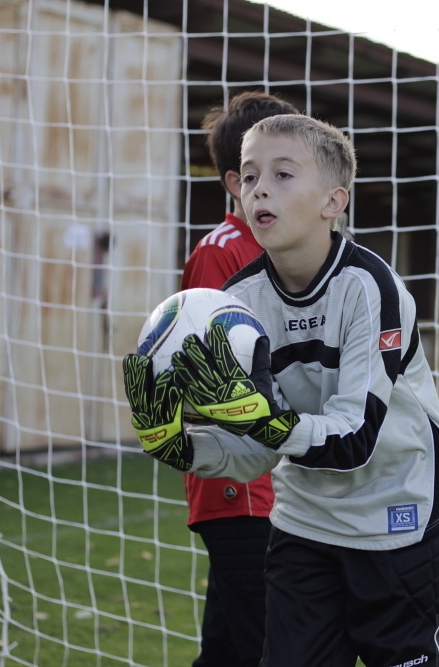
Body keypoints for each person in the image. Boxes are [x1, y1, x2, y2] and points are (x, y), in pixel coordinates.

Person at [123, 113, 439, 666]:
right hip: (303, 530)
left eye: (283, 174)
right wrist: (186, 448)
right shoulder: (236, 305)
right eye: (251, 175)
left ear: (334, 202)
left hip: (404, 526)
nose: (260, 187)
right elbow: (260, 448)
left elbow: (354, 436)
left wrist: (266, 420)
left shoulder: (372, 289)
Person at [182, 89, 299, 667]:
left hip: (274, 489)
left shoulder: (291, 253)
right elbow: (211, 382)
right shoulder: (220, 253)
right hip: (239, 488)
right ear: (237, 182)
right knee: (275, 648)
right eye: (270, 171)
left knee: (227, 653)